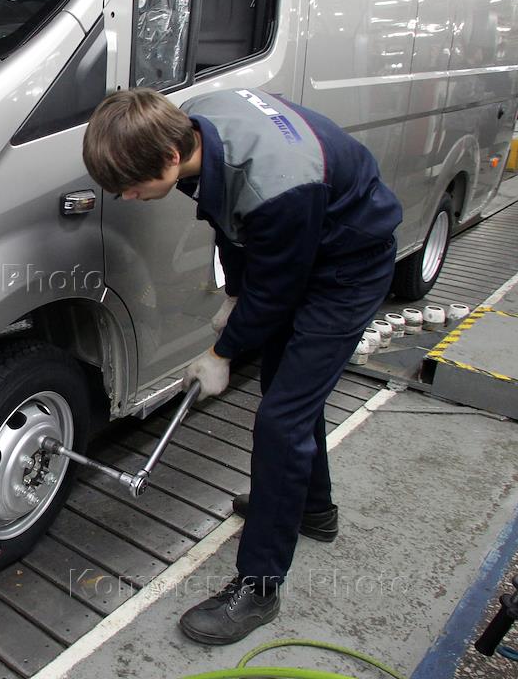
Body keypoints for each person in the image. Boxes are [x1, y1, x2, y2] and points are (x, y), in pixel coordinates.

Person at [82, 87, 402, 645]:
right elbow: (232, 220)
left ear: (171, 156)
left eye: (131, 186)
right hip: (305, 244)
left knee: (281, 419)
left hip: (347, 268)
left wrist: (220, 355)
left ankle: (259, 586)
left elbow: (278, 288)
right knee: (287, 394)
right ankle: (311, 508)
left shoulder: (280, 189)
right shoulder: (195, 125)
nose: (128, 197)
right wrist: (234, 292)